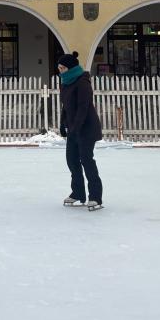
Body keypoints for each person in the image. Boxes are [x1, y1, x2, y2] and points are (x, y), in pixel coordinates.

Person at [57, 51, 104, 211]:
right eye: (59, 68)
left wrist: (76, 127)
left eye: (62, 68)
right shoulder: (66, 82)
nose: (60, 71)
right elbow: (66, 106)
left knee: (86, 160)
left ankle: (96, 197)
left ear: (70, 68)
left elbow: (83, 107)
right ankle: (78, 192)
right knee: (72, 160)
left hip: (87, 128)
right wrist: (63, 124)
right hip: (73, 128)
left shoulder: (82, 82)